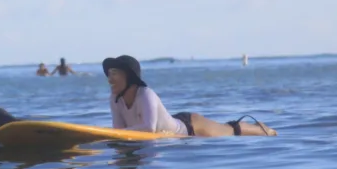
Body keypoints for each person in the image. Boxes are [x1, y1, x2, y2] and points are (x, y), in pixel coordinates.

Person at [102, 55, 277, 137]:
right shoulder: (115, 100)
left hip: (191, 127)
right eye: (108, 74)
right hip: (173, 124)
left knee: (231, 131)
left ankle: (261, 128)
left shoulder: (146, 95)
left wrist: (113, 133)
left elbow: (148, 128)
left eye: (114, 73)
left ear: (129, 77)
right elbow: (119, 132)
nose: (109, 79)